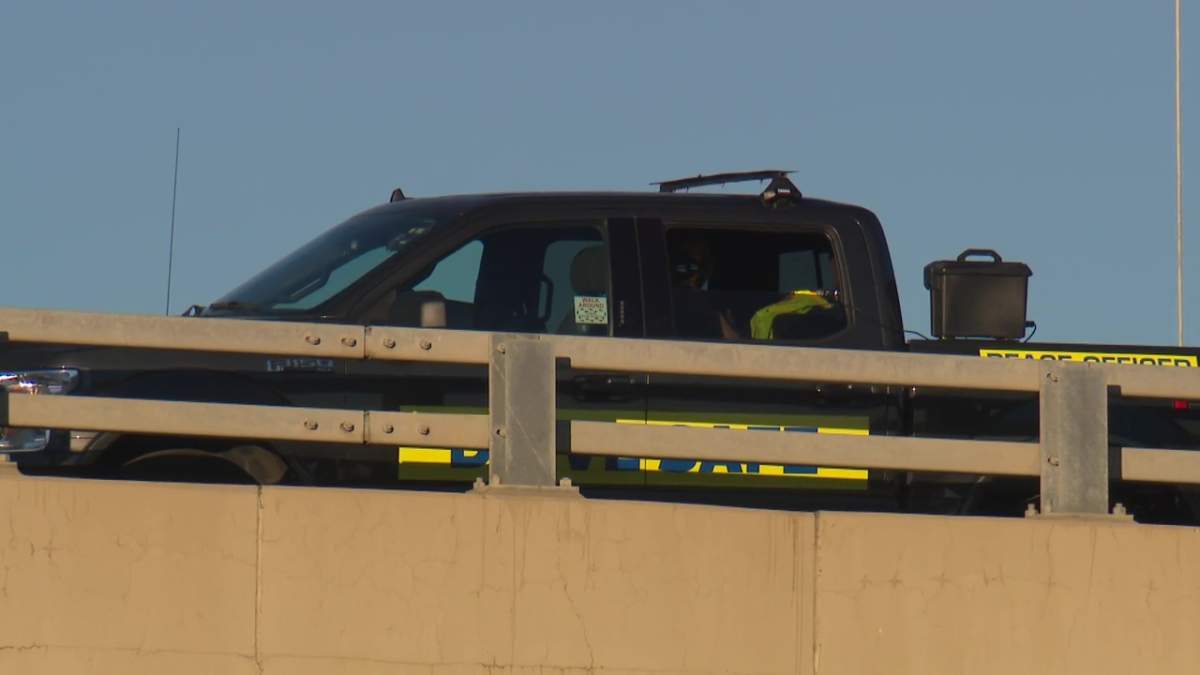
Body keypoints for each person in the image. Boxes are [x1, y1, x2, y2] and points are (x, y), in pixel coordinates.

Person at [668, 232, 740, 339]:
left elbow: (736, 342)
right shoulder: (669, 294)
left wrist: (714, 314)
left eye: (697, 254)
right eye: (685, 256)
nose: (688, 267)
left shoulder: (722, 295)